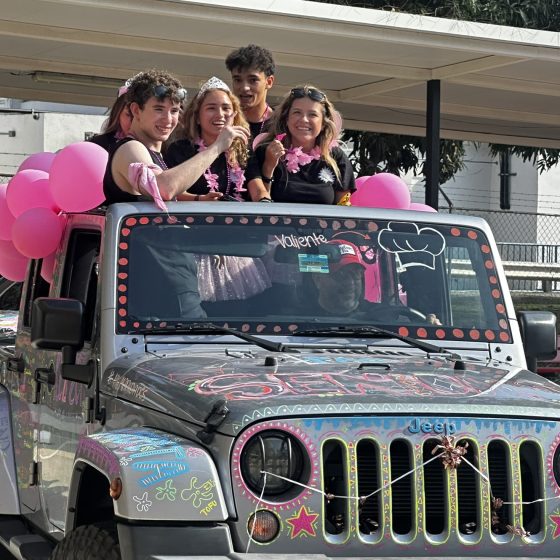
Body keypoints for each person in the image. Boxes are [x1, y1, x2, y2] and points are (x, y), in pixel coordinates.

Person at [103, 69, 249, 207]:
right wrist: (217, 146)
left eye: (174, 111)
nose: (168, 119)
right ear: (136, 110)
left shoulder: (155, 153)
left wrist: (199, 199)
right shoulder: (130, 147)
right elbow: (163, 189)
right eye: (159, 109)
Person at [247, 85, 355, 204]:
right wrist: (269, 165)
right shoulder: (267, 151)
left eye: (312, 114)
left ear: (323, 123)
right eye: (297, 112)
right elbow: (259, 204)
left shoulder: (336, 157)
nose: (304, 119)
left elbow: (344, 207)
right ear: (286, 119)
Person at [164, 76, 250, 201]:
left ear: (235, 115)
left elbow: (258, 189)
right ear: (197, 117)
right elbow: (170, 191)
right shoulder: (179, 149)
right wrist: (201, 199)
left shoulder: (243, 149)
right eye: (211, 108)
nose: (220, 115)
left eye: (226, 108)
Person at [225, 44, 275, 142]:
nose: (245, 88)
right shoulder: (223, 121)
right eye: (238, 80)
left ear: (269, 82)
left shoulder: (283, 124)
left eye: (253, 80)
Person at [89, 83, 132, 153]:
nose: (133, 121)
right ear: (117, 113)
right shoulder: (98, 145)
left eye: (138, 115)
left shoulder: (150, 146)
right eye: (129, 114)